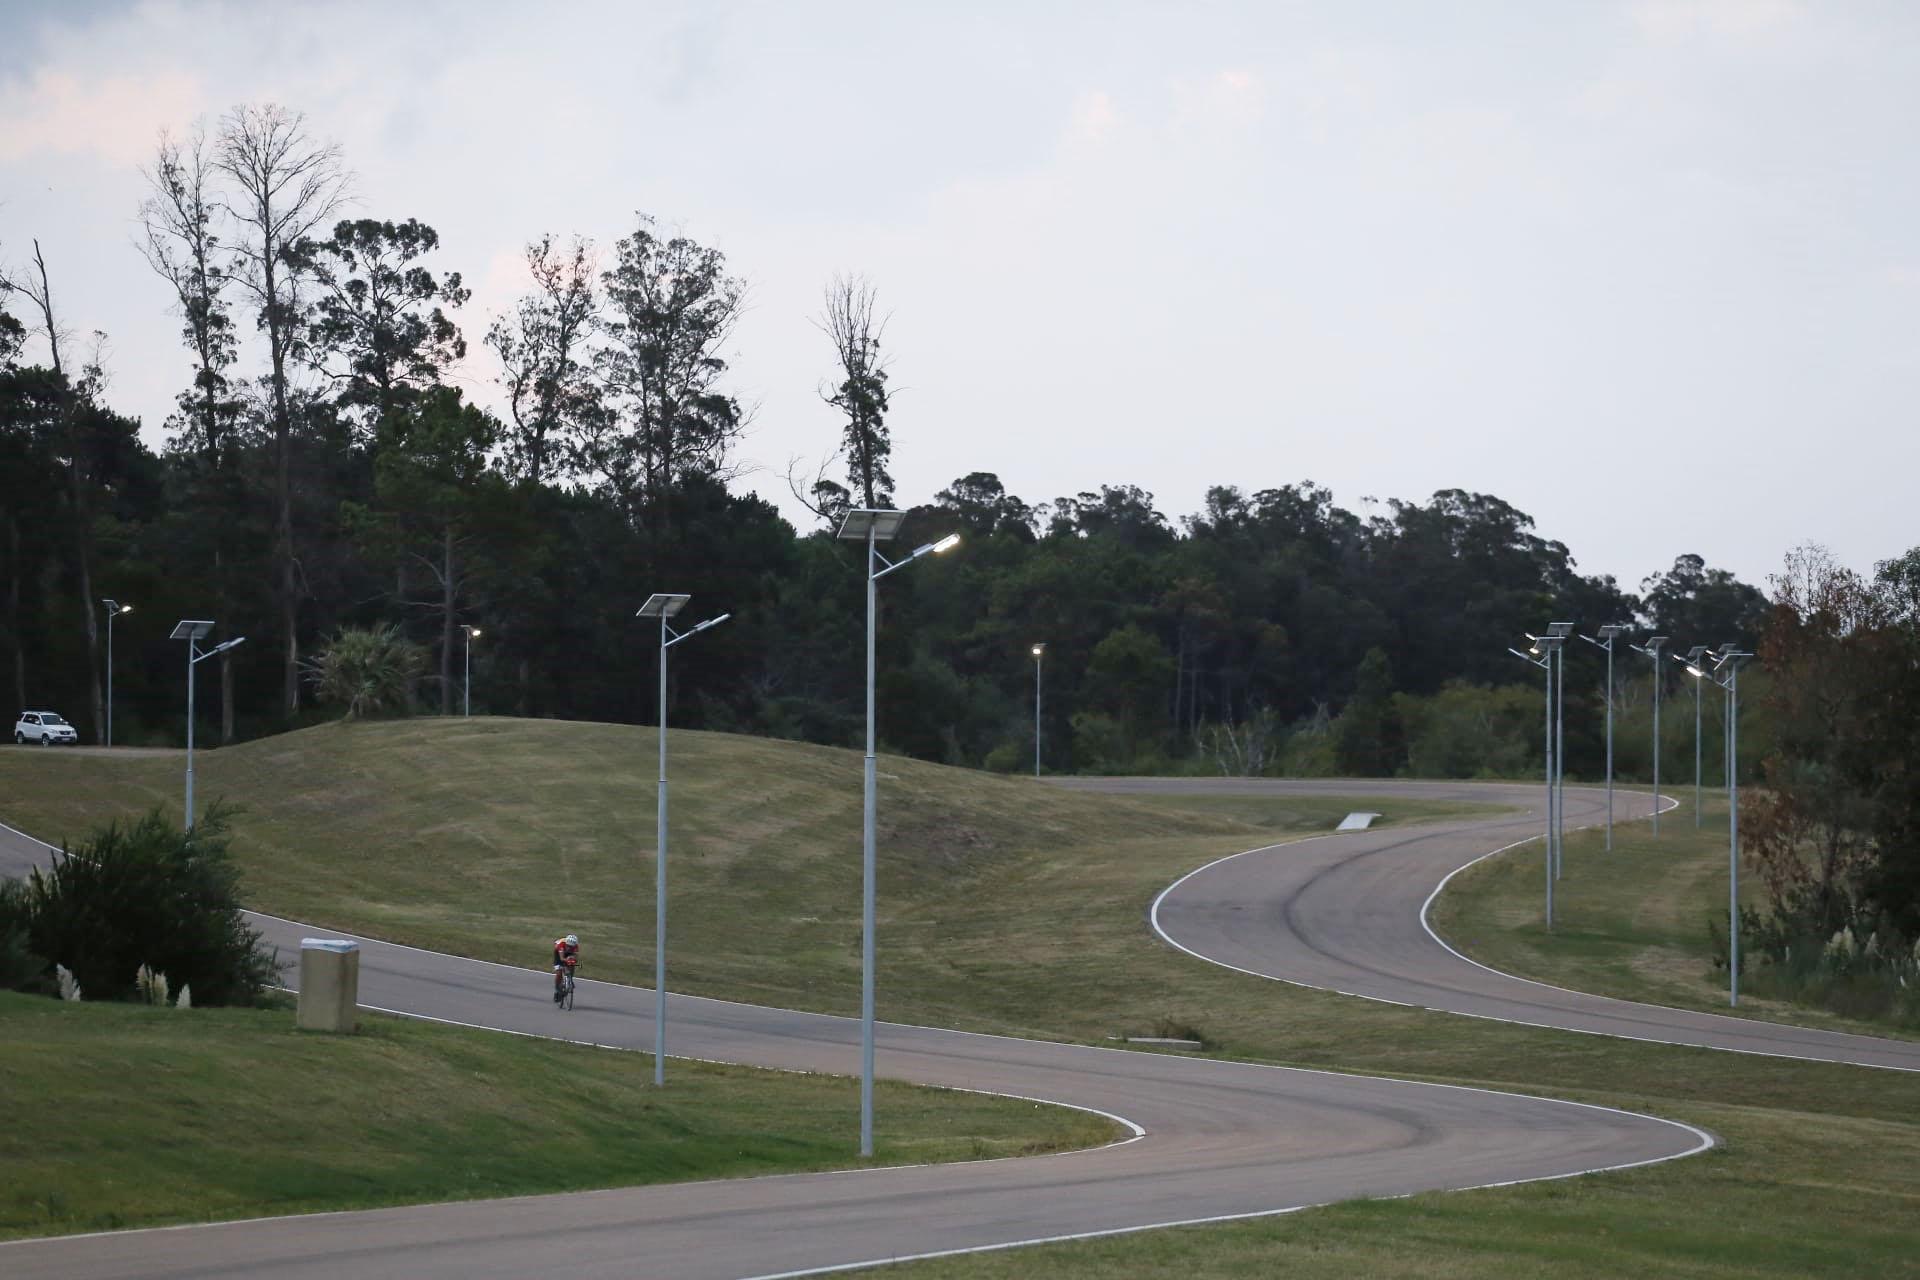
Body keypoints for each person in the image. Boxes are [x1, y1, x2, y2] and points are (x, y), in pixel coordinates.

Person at [552, 933, 579, 1003]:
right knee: (559, 973)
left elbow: (576, 958)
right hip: (558, 954)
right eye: (568, 946)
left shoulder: (576, 946)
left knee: (572, 963)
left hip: (568, 953)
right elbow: (561, 958)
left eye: (571, 946)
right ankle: (557, 988)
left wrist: (573, 959)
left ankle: (570, 979)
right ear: (566, 943)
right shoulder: (562, 944)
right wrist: (567, 960)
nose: (570, 947)